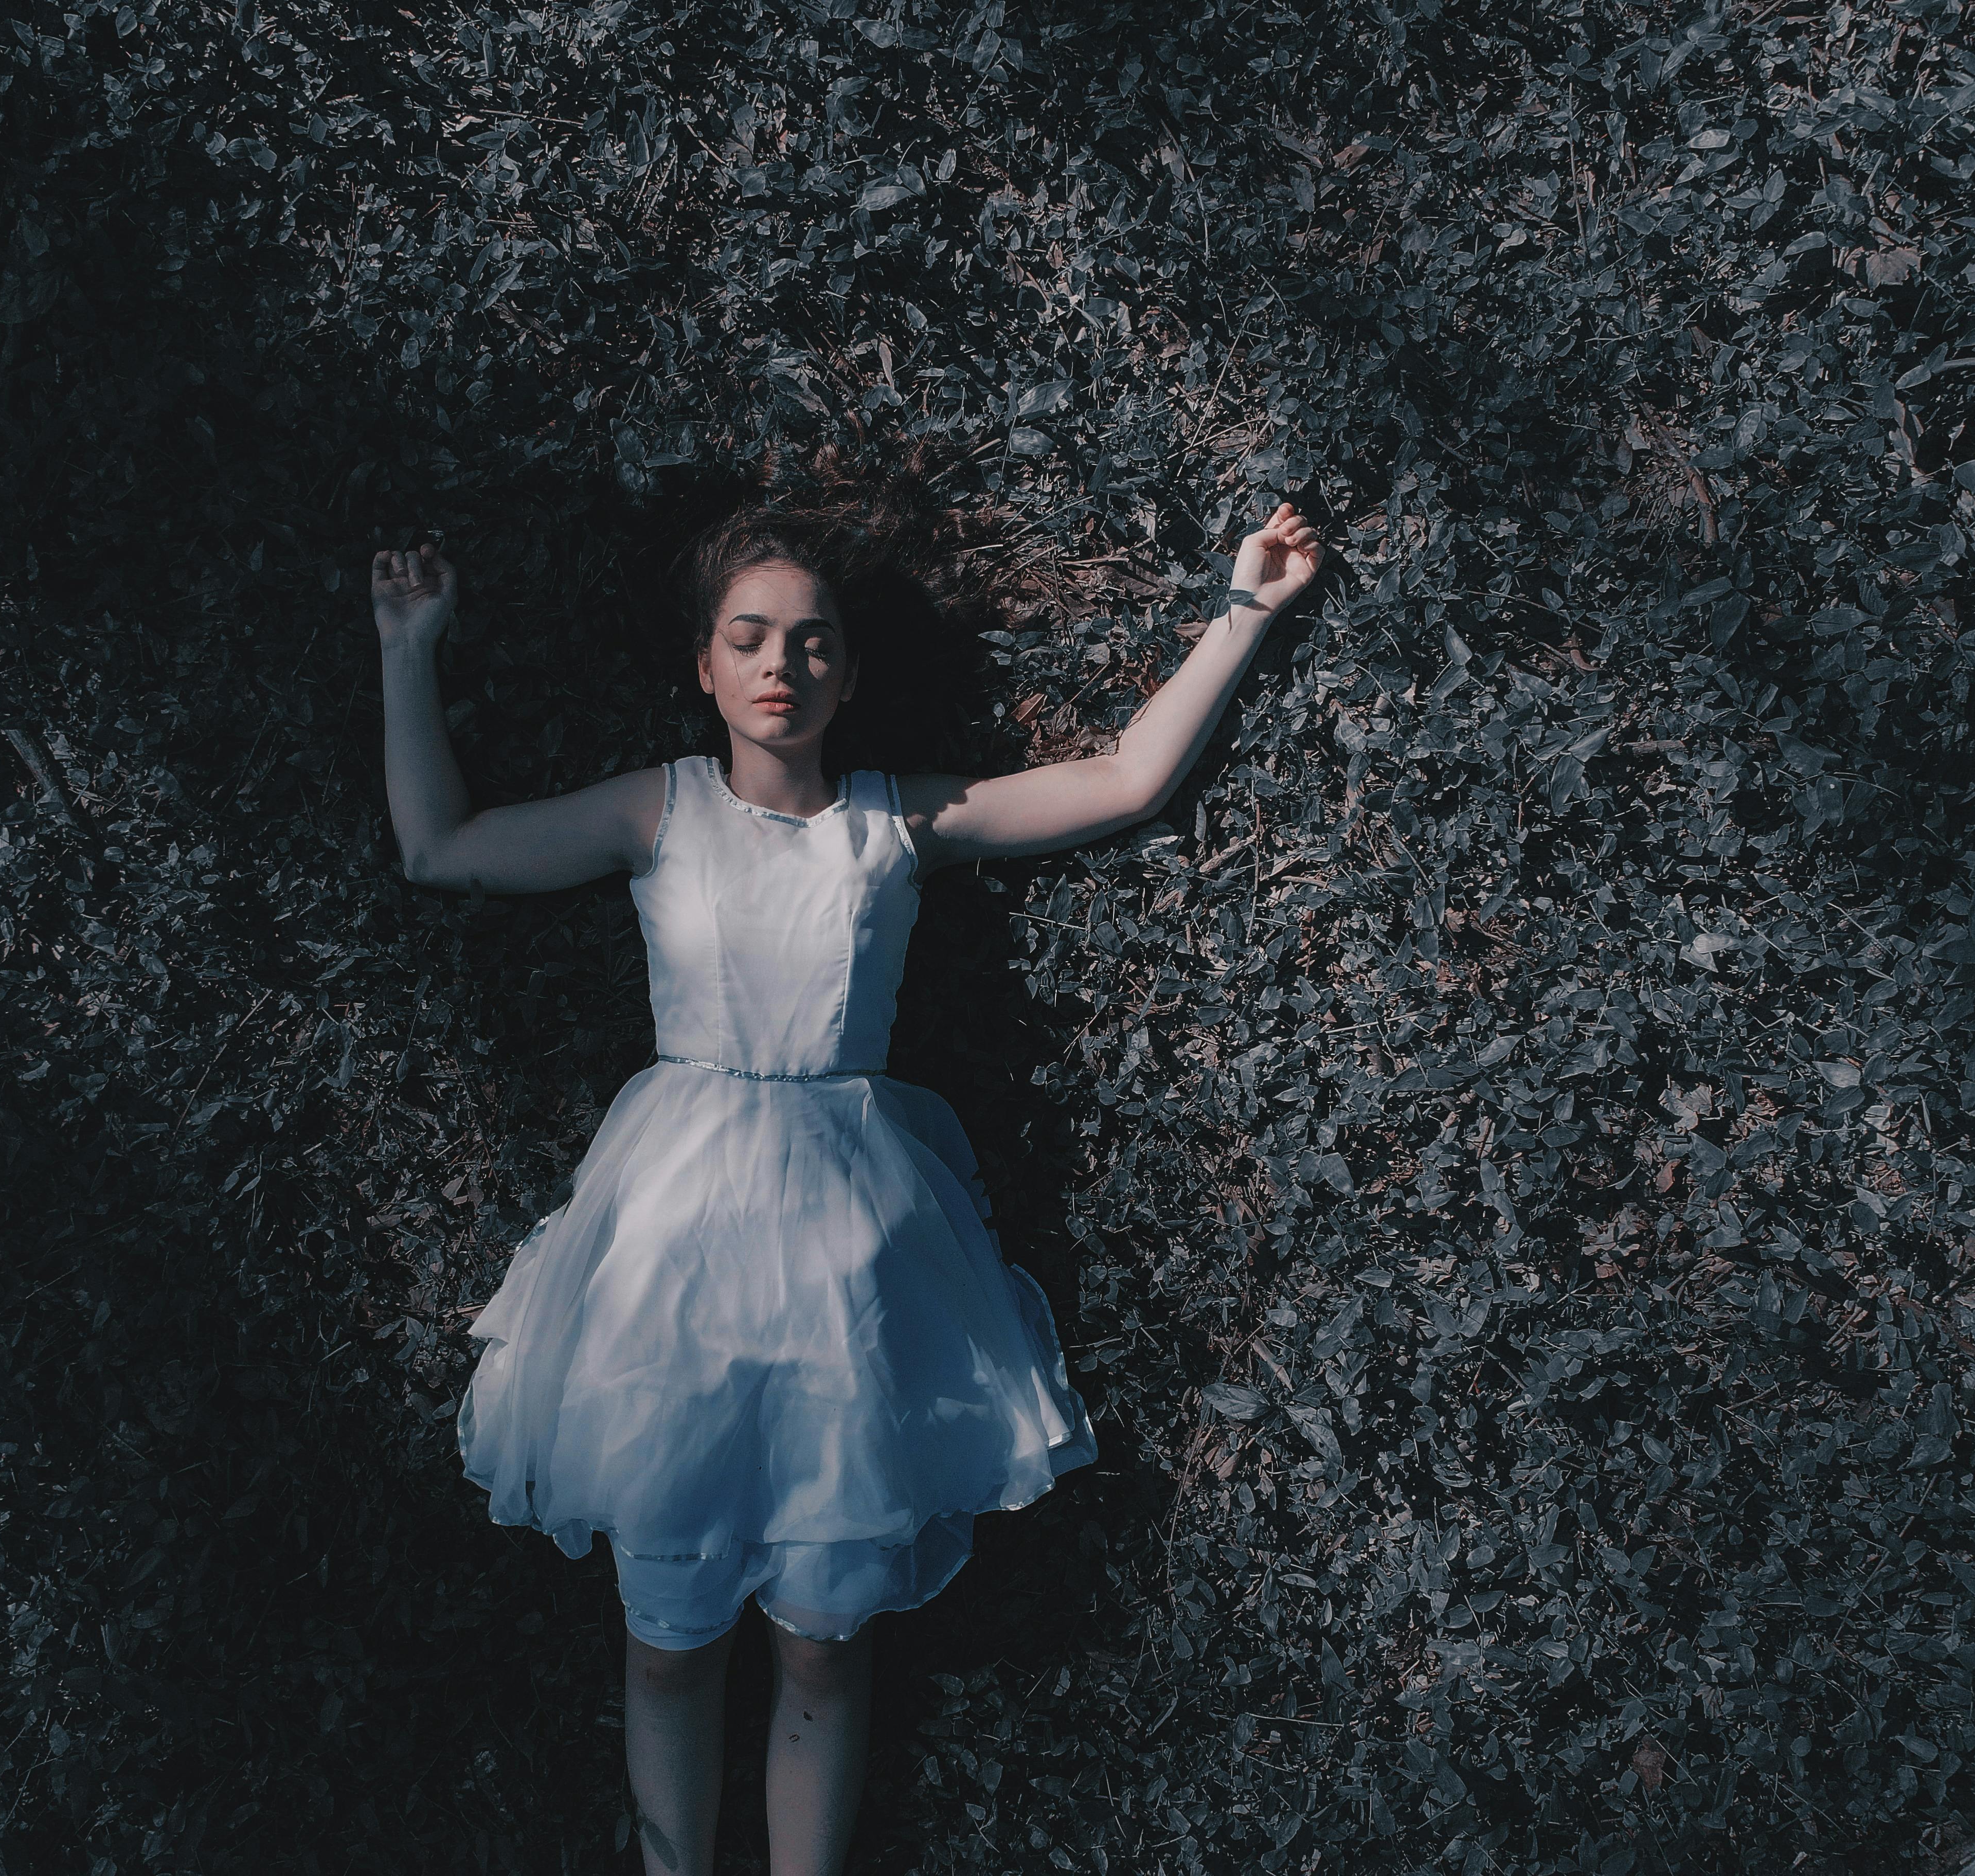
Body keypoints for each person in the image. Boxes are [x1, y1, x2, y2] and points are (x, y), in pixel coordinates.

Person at [371, 494, 1324, 1876]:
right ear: (702, 666)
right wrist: (409, 649)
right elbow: (439, 850)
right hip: (669, 1269)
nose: (781, 664)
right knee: (671, 1641)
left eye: (812, 643)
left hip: (851, 1260)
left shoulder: (894, 821)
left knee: (823, 1647)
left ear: (849, 675)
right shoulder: (664, 809)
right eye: (749, 638)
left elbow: (1123, 781)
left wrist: (1245, 607)